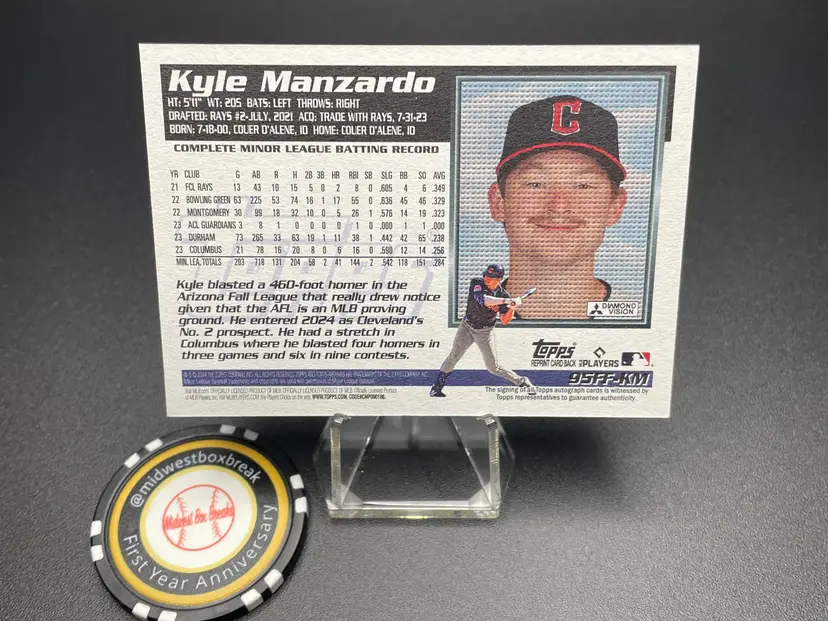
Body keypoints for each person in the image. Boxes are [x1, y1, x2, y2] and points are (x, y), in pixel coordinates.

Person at [487, 96, 628, 319]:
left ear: (615, 207)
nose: (559, 205)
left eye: (583, 185)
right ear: (498, 203)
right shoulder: (461, 320)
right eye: (536, 184)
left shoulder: (647, 317)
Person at [430, 264, 537, 397]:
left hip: (485, 332)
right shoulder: (477, 283)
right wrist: (508, 300)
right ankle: (436, 388)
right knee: (454, 356)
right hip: (466, 327)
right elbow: (483, 300)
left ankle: (522, 381)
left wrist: (511, 307)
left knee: (493, 368)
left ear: (499, 279)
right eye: (486, 275)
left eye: (491, 277)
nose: (486, 278)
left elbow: (504, 320)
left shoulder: (503, 294)